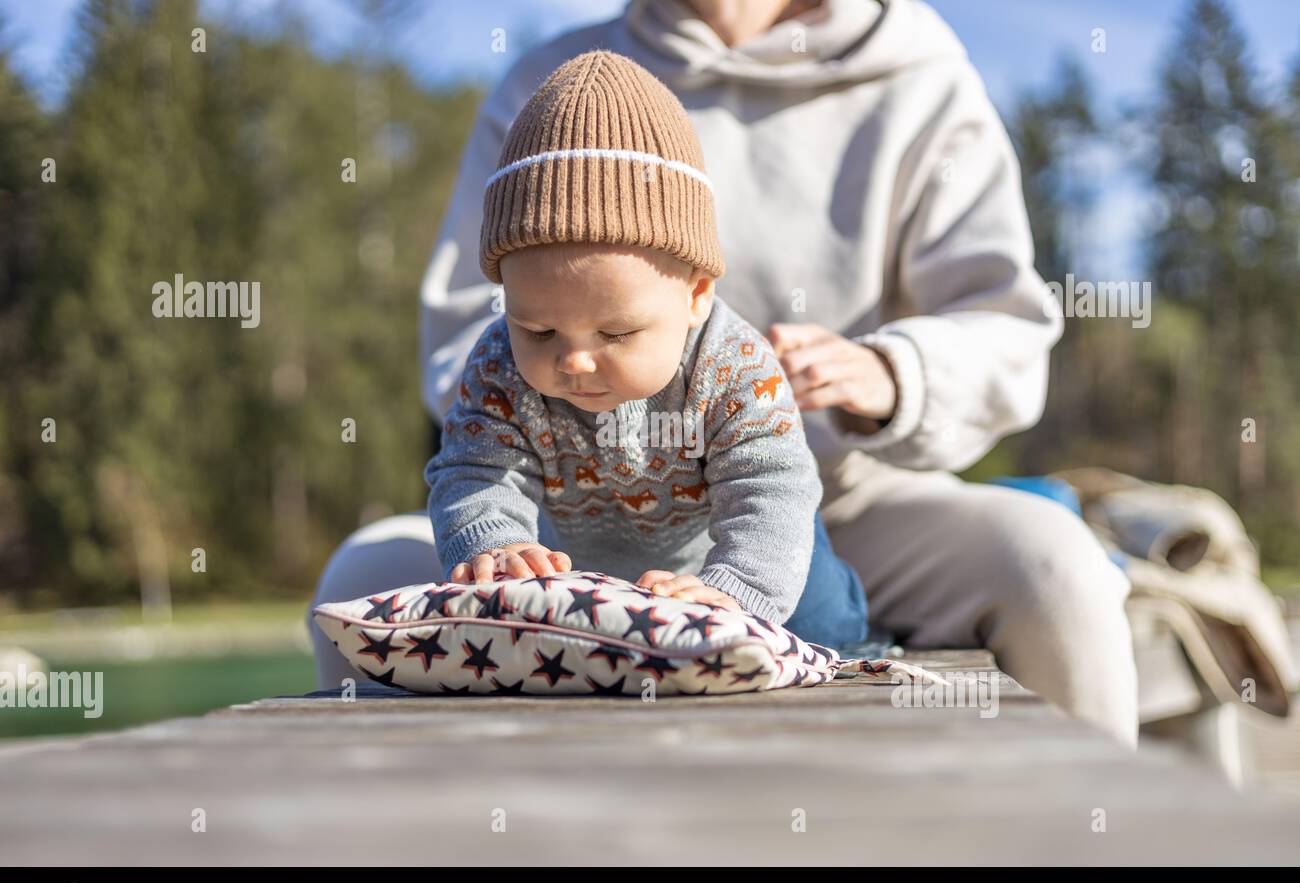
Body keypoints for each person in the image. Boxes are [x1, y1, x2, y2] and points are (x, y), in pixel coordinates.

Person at [309, 0, 1138, 747]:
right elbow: (465, 333)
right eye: (544, 331)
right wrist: (520, 508)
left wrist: (892, 373)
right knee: (355, 578)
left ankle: (1107, 849)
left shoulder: (919, 74)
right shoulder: (546, 85)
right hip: (564, 521)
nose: (575, 351)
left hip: (853, 495)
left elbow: (1004, 325)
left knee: (1054, 566)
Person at [427, 50, 867, 647]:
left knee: (822, 624)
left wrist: (736, 591)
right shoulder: (497, 364)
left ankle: (855, 621)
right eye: (539, 331)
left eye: (616, 334)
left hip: (745, 551)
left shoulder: (734, 367)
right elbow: (476, 468)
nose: (575, 360)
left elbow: (772, 486)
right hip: (582, 561)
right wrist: (494, 544)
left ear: (696, 296)